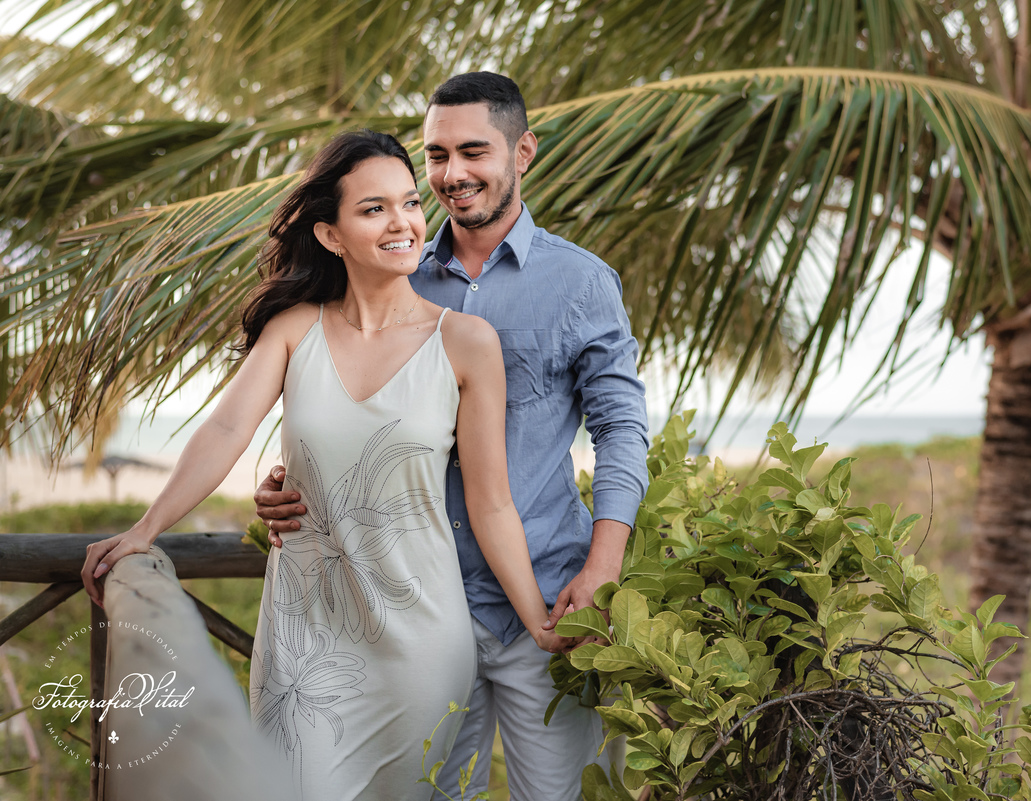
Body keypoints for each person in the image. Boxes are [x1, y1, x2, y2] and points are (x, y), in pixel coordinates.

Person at [80, 130, 570, 800]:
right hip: (303, 645)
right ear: (331, 235)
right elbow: (226, 428)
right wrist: (145, 529)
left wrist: (538, 618)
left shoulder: (464, 342)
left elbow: (490, 503)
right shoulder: (295, 329)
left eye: (407, 203)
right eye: (373, 209)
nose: (402, 222)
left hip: (422, 647)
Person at [255, 72, 650, 800]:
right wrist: (283, 478)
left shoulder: (582, 282)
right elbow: (330, 395)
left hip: (549, 598)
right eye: (436, 155)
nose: (453, 174)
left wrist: (603, 569)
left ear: (523, 150)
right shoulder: (387, 268)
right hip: (412, 616)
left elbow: (622, 430)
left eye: (474, 151)